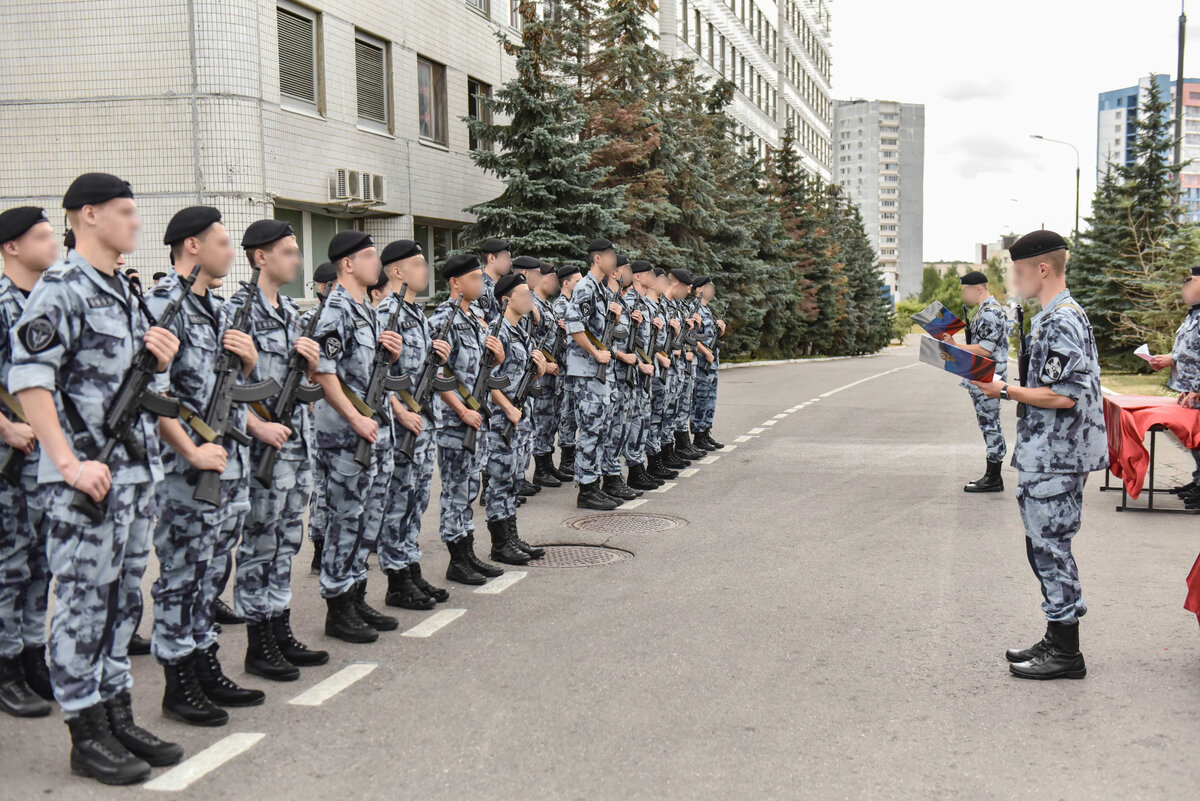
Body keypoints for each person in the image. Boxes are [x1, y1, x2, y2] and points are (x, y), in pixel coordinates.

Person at [11, 173, 183, 783]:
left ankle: (115, 712)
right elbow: (29, 381)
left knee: (118, 603)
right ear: (89, 215)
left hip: (133, 477)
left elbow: (138, 386)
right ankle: (86, 731)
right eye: (126, 212)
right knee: (84, 602)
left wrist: (157, 355)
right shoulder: (61, 287)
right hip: (86, 481)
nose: (136, 223)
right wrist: (66, 464)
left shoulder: (123, 291)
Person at [970, 229, 1108, 681]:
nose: (1013, 279)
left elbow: (1064, 395)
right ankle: (1056, 633)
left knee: (1051, 548)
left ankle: (1067, 652)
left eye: (1018, 270)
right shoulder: (1054, 315)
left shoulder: (1061, 319)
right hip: (1047, 452)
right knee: (1042, 547)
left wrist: (1003, 389)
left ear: (1042, 269)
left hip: (1057, 455)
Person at [148, 206, 263, 725]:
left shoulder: (217, 309)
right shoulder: (162, 306)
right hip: (186, 469)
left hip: (227, 462)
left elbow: (234, 390)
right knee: (182, 574)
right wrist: (192, 450)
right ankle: (178, 681)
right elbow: (153, 396)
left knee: (211, 572)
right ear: (191, 246)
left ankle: (204, 661)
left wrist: (252, 364)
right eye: (219, 241)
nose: (227, 250)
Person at [225, 219, 328, 681]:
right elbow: (221, 388)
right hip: (262, 449)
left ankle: (280, 628)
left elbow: (303, 385)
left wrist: (309, 368)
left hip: (296, 445)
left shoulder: (291, 311)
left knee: (287, 542)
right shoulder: (237, 311)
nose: (296, 258)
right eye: (287, 251)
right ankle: (257, 642)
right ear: (260, 257)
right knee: (260, 545)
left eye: (296, 250)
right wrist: (255, 427)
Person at [310, 231, 403, 643]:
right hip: (347, 435)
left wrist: (392, 353)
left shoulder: (366, 308)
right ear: (347, 264)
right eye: (368, 256)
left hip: (373, 428)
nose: (375, 264)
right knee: (344, 519)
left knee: (367, 518)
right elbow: (323, 372)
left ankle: (357, 594)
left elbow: (366, 370)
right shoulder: (336, 309)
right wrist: (354, 417)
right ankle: (338, 607)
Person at [0, 206, 56, 717]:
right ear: (12, 247)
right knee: (9, 565)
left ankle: (34, 654)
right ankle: (6, 666)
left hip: (43, 457)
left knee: (40, 562)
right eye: (41, 236)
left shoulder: (43, 300)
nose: (53, 242)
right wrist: (6, 427)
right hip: (9, 459)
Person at [375, 239, 451, 609]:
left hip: (422, 421)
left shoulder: (416, 313)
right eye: (418, 264)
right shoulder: (386, 313)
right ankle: (396, 579)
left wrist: (439, 356)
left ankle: (411, 568)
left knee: (417, 499)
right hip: (401, 423)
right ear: (397, 271)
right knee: (398, 501)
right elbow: (374, 373)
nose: (426, 270)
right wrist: (398, 410)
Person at [429, 255, 507, 583]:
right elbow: (435, 372)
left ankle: (468, 552)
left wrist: (500, 357)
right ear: (455, 284)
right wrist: (461, 409)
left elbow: (483, 369)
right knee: (456, 488)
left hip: (476, 415)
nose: (480, 283)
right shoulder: (442, 320)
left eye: (480, 276)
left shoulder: (475, 318)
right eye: (474, 278)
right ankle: (456, 559)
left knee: (471, 484)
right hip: (454, 419)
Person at [482, 273, 548, 564]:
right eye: (524, 294)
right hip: (503, 418)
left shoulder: (521, 331)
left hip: (521, 416)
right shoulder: (498, 332)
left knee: (514, 480)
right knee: (500, 480)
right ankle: (500, 544)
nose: (529, 299)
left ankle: (511, 536)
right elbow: (487, 378)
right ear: (506, 299)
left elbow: (523, 375)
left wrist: (541, 370)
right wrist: (507, 408)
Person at [564, 237, 625, 510]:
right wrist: (594, 352)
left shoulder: (600, 290)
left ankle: (595, 485)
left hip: (600, 372)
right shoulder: (585, 288)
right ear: (597, 258)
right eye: (610, 254)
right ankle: (586, 489)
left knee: (602, 428)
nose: (615, 259)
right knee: (590, 429)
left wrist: (616, 317)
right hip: (589, 371)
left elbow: (600, 329)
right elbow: (574, 325)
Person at [942, 271, 1008, 492]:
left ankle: (994, 478)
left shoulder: (990, 313)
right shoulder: (985, 311)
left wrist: (954, 346)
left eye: (965, 290)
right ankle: (992, 475)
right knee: (988, 424)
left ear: (978, 288)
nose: (964, 295)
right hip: (982, 376)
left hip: (988, 377)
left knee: (991, 424)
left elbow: (984, 350)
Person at [1149, 266, 1200, 506]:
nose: (1185, 288)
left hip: (1197, 389)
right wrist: (1172, 360)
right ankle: (1198, 481)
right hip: (1191, 389)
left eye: (1191, 282)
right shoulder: (1194, 314)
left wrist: (1197, 386)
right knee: (1197, 441)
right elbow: (1189, 351)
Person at [598, 255, 642, 501]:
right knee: (609, 430)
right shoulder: (607, 300)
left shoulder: (621, 302)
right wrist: (622, 356)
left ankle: (615, 477)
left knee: (621, 428)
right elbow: (598, 338)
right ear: (615, 273)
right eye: (625, 269)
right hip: (610, 374)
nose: (629, 274)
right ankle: (609, 480)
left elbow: (622, 335)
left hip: (623, 376)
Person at [307, 260, 338, 573]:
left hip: (341, 409)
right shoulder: (312, 319)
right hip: (318, 413)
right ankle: (319, 545)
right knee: (322, 485)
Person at [621, 259, 662, 490]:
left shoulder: (644, 304)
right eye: (649, 274)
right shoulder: (630, 303)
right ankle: (634, 469)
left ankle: (640, 468)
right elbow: (626, 343)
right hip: (634, 372)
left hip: (645, 372)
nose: (653, 278)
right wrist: (640, 364)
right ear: (638, 277)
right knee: (633, 422)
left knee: (643, 420)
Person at [530, 260, 568, 487]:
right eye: (551, 277)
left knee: (550, 421)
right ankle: (540, 469)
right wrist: (545, 362)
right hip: (542, 373)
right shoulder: (532, 304)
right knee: (541, 421)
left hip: (553, 373)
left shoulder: (547, 305)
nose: (554, 281)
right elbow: (532, 341)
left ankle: (548, 464)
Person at [644, 267, 678, 481]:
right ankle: (652, 462)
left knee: (661, 415)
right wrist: (659, 357)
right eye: (661, 279)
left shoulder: (660, 307)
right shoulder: (645, 306)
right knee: (650, 418)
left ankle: (658, 459)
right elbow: (644, 342)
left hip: (662, 369)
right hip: (652, 370)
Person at [553, 264, 582, 479]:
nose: (580, 285)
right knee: (566, 414)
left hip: (573, 367)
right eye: (577, 281)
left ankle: (570, 458)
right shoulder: (561, 305)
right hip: (564, 368)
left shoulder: (573, 304)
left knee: (571, 413)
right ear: (566, 283)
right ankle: (566, 459)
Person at [690, 276, 725, 451]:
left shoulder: (707, 310)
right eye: (708, 286)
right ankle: (698, 435)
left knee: (710, 399)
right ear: (699, 290)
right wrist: (706, 353)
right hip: (702, 363)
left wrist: (720, 329)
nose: (712, 289)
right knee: (701, 399)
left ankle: (705, 432)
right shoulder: (694, 309)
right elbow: (692, 337)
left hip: (711, 364)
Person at [471, 238, 511, 323]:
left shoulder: (505, 287)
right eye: (506, 258)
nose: (510, 263)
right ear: (492, 258)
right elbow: (477, 319)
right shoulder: (479, 285)